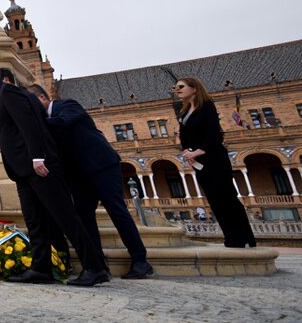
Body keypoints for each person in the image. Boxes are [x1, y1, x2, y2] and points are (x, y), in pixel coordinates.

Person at [0, 62, 109, 286]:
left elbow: (29, 124)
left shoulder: (9, 92)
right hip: (21, 171)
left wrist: (37, 157)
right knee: (35, 220)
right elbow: (0, 135)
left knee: (65, 216)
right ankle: (41, 268)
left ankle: (95, 268)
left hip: (38, 167)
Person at [32, 85, 154, 279]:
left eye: (32, 103)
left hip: (102, 166)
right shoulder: (48, 121)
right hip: (79, 175)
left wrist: (35, 124)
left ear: (42, 98)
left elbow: (64, 122)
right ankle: (98, 265)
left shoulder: (67, 105)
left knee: (117, 212)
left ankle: (140, 260)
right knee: (84, 218)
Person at [174, 77, 256, 248]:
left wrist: (198, 151)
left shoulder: (207, 106)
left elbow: (213, 132)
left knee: (227, 197)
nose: (177, 90)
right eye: (176, 87)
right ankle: (231, 238)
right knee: (214, 200)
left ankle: (245, 237)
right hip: (198, 161)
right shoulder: (184, 112)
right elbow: (184, 136)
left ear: (194, 88)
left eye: (181, 86)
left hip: (214, 157)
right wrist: (187, 152)